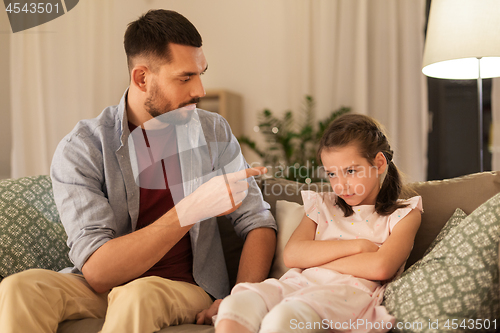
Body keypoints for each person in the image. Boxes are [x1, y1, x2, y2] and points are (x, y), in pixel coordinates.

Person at [0, 9, 277, 333]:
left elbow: (257, 222)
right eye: (185, 77)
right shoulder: (84, 147)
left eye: (201, 73)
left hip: (184, 288)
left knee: (137, 295)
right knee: (20, 289)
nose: (200, 89)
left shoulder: (213, 132)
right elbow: (98, 271)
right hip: (103, 290)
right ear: (142, 78)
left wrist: (239, 299)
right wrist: (193, 207)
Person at [215, 114, 422, 333]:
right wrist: (359, 247)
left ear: (378, 163)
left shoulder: (404, 213)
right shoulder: (323, 203)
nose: (340, 185)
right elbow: (293, 255)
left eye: (351, 171)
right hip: (299, 283)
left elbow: (380, 267)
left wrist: (315, 260)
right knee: (236, 303)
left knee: (285, 317)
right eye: (332, 174)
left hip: (346, 295)